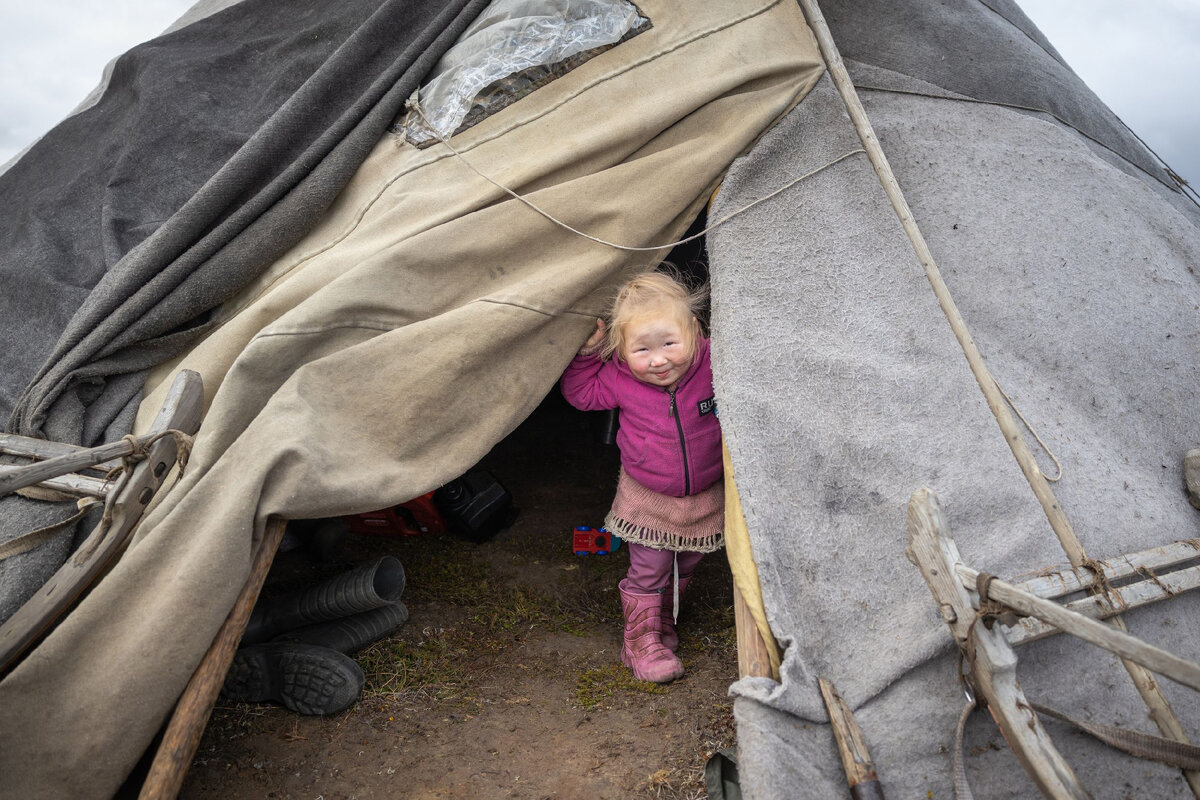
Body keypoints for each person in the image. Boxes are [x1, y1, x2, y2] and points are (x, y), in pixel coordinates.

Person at [561, 270, 723, 683]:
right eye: (641, 350)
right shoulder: (619, 377)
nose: (658, 360)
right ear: (621, 349)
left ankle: (662, 624)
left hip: (704, 494)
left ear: (694, 329)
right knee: (650, 569)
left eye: (669, 343)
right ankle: (639, 644)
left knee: (685, 564)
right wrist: (586, 357)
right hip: (648, 497)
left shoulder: (715, 364)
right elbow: (581, 396)